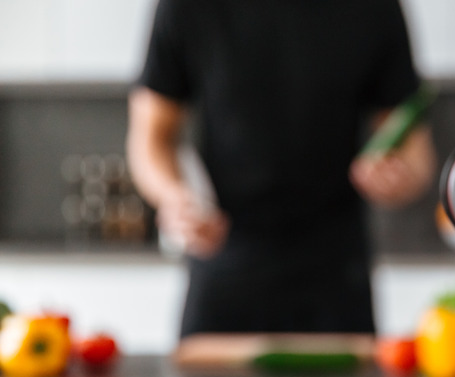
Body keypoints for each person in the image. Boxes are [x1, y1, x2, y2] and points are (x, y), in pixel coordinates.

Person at [126, 0, 435, 338]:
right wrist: (175, 197)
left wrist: (398, 176)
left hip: (336, 271)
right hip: (224, 258)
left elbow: (413, 148)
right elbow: (151, 137)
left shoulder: (375, 7)